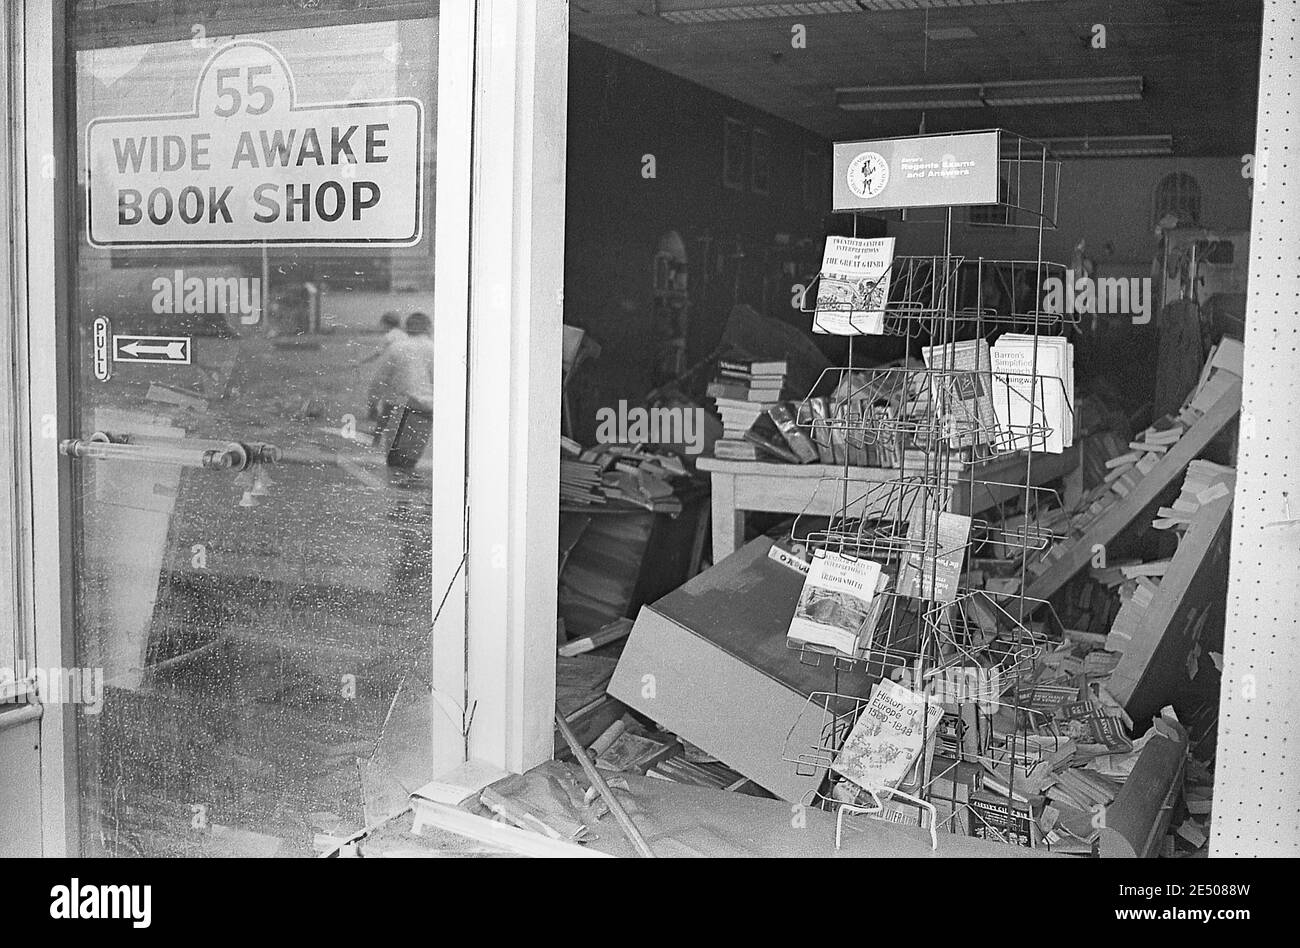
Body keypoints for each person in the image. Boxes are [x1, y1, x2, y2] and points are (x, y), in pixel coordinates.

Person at [368, 312, 435, 469]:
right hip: (424, 408)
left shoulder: (396, 348)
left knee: (394, 460)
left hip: (396, 406)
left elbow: (380, 379)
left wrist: (372, 403)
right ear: (428, 328)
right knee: (410, 461)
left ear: (407, 328)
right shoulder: (434, 349)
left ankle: (394, 490)